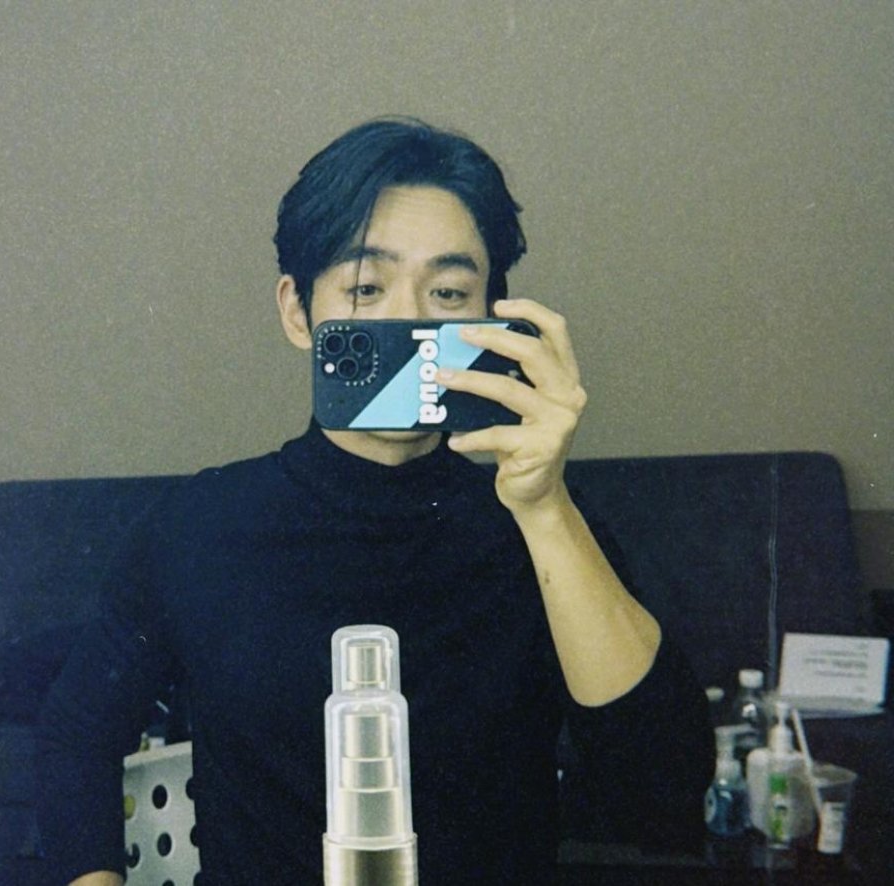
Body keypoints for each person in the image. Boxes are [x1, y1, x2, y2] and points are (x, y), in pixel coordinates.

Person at [36, 117, 713, 885]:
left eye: (448, 292)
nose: (408, 320)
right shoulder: (198, 527)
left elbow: (664, 783)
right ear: (298, 312)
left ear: (492, 317)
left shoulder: (542, 522)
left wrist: (544, 508)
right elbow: (76, 734)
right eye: (366, 289)